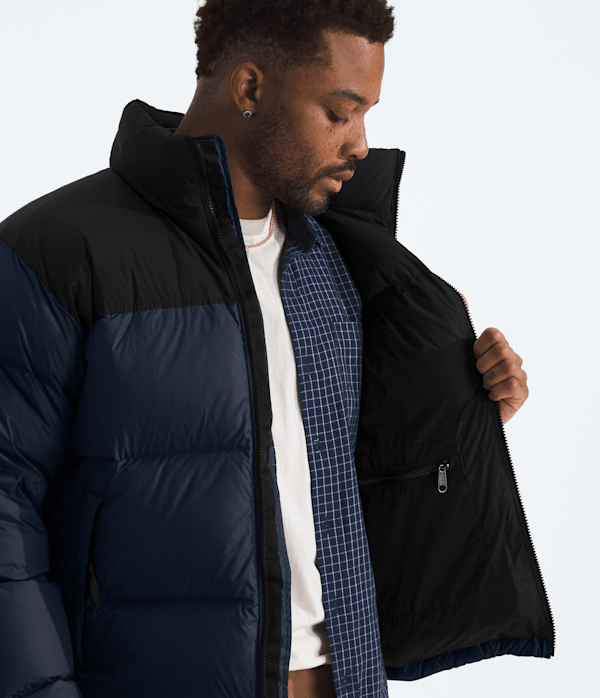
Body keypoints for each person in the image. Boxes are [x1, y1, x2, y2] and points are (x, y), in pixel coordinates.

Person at [0, 1, 553, 697]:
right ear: (251, 87)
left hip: (345, 680)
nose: (360, 144)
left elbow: (352, 472)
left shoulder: (340, 260)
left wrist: (461, 411)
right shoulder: (59, 252)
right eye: (340, 112)